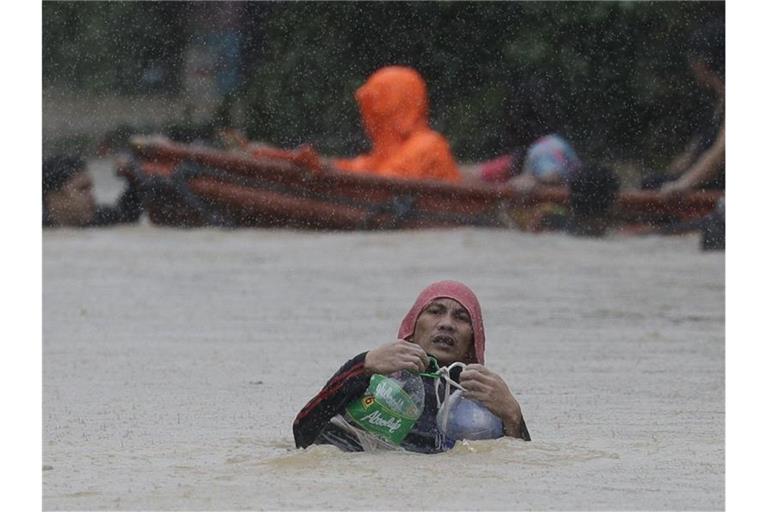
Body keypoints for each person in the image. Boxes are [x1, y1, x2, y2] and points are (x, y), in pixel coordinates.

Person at [293, 280, 530, 454]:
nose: (447, 324)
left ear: (474, 340)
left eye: (461, 317)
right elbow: (303, 433)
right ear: (412, 329)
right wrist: (362, 365)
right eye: (435, 312)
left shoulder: (483, 397)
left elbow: (520, 468)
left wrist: (513, 415)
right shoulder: (374, 375)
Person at [333, 66, 462, 183]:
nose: (368, 119)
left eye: (374, 111)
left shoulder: (428, 146)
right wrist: (323, 168)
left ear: (396, 109)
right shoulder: (395, 148)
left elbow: (384, 185)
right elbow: (367, 166)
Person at [646, 21, 725, 196]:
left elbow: (720, 154)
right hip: (701, 187)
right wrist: (671, 177)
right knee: (651, 183)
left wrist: (683, 184)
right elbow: (692, 154)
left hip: (715, 194)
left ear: (704, 61)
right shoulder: (713, 103)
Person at [43, 155, 143, 227]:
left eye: (90, 188)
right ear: (53, 196)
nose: (92, 196)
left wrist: (132, 179)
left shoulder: (99, 218)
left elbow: (129, 215)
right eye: (82, 189)